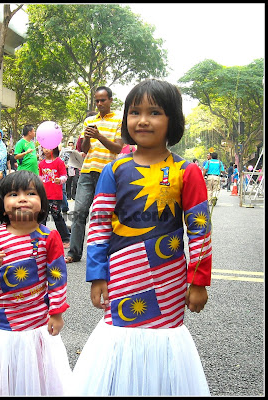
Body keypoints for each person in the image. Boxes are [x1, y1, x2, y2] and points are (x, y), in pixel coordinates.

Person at [71, 79, 212, 396]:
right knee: (122, 333)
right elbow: (99, 224)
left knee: (163, 337)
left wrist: (199, 280)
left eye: (155, 112)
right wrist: (97, 275)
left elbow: (200, 229)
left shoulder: (186, 172)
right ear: (126, 120)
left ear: (172, 120)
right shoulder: (115, 169)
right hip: (122, 275)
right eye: (135, 112)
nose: (143, 120)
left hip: (169, 277)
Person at [0, 170, 71, 396]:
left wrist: (57, 312)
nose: (22, 198)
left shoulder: (48, 237)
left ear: (42, 204)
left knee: (35, 371)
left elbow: (58, 278)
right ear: (3, 206)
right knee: (3, 372)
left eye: (30, 193)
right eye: (13, 194)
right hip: (2, 319)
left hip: (37, 322)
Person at [65, 86, 124, 263]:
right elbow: (84, 149)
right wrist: (89, 137)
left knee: (106, 214)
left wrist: (99, 136)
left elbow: (118, 147)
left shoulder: (119, 120)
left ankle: (110, 252)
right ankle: (74, 253)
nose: (99, 104)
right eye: (97, 101)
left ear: (111, 100)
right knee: (79, 211)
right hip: (87, 171)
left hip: (107, 173)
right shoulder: (89, 120)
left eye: (103, 100)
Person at [39, 147, 71, 249]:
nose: (46, 150)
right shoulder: (41, 164)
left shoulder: (59, 162)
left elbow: (64, 176)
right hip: (44, 195)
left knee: (57, 216)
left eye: (49, 148)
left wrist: (60, 180)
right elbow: (40, 177)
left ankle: (65, 238)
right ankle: (40, 238)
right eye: (44, 147)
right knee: (42, 217)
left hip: (55, 196)